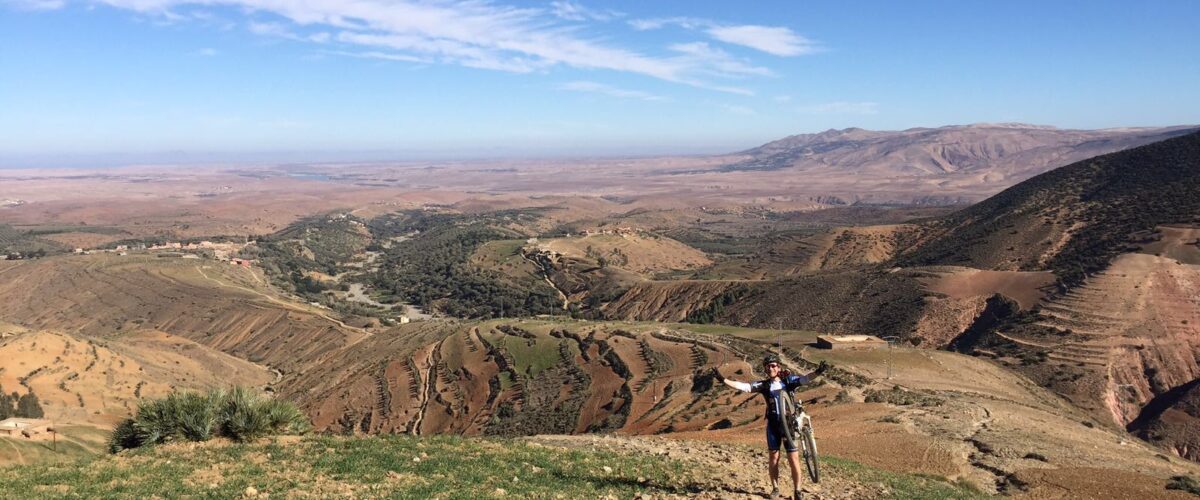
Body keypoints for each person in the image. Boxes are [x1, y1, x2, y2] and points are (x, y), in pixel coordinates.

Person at [713, 356, 827, 500]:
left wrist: (818, 372)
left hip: (789, 425)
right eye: (768, 367)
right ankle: (775, 488)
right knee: (773, 458)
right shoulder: (764, 385)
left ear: (778, 367)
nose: (771, 368)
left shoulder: (788, 381)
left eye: (773, 366)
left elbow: (805, 379)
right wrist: (723, 379)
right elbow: (745, 387)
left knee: (794, 459)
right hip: (773, 425)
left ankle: (797, 490)